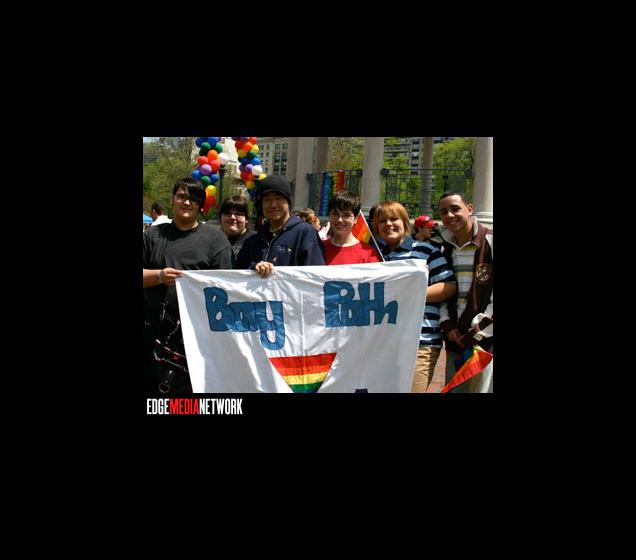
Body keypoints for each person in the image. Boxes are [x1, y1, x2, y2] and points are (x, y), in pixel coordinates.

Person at [143, 178, 232, 395]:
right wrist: (159, 276)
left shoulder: (216, 240)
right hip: (152, 337)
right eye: (182, 196)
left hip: (197, 342)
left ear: (201, 206)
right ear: (172, 200)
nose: (187, 202)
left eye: (194, 198)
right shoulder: (153, 235)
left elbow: (226, 287)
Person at [373, 201, 457, 393]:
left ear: (404, 222)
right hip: (381, 343)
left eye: (394, 219)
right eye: (382, 221)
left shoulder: (426, 250)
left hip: (420, 342)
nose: (388, 224)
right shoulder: (374, 256)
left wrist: (408, 294)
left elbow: (449, 286)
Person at [437, 191, 493, 393]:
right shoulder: (443, 248)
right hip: (455, 339)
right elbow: (442, 290)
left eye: (455, 209)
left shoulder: (490, 242)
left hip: (485, 342)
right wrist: (447, 325)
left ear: (469, 209)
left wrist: (477, 331)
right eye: (444, 211)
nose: (450, 215)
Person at [236, 175, 325, 277]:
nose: (273, 205)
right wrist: (254, 268)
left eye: (279, 198)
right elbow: (237, 275)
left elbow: (315, 276)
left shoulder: (305, 233)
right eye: (267, 199)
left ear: (288, 201)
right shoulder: (253, 240)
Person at [323, 191, 381, 265]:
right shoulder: (318, 249)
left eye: (346, 215)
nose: (340, 220)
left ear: (356, 218)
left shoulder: (369, 253)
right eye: (335, 214)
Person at [219, 194, 256, 268]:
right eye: (227, 213)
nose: (232, 217)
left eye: (239, 214)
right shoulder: (213, 240)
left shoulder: (257, 240)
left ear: (246, 219)